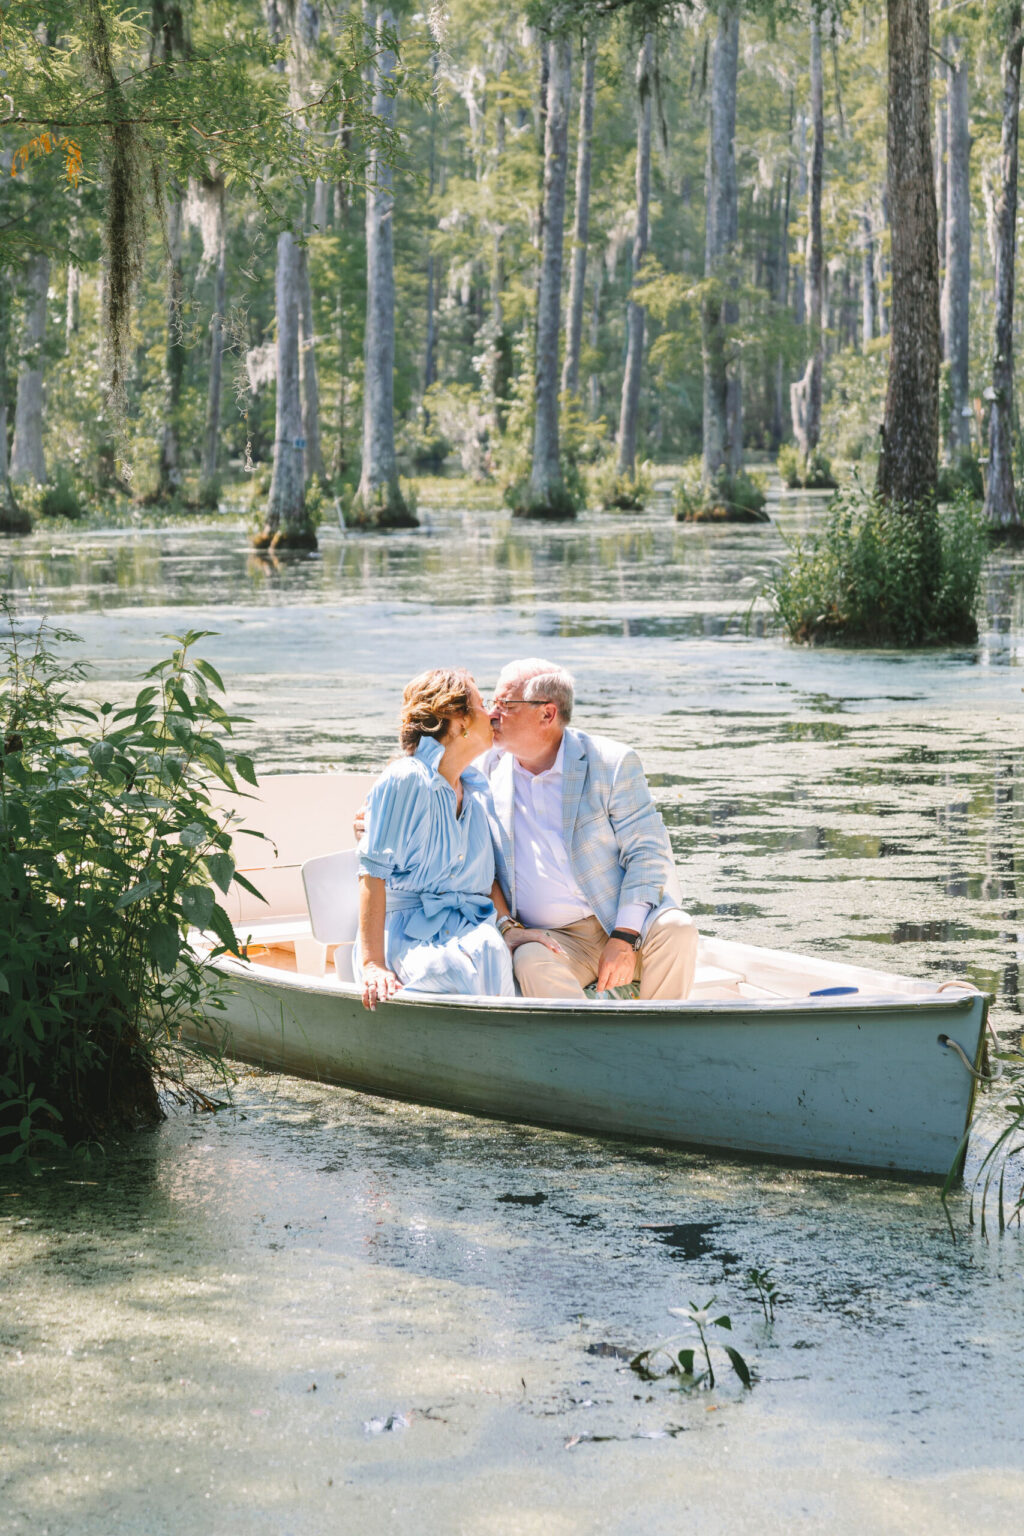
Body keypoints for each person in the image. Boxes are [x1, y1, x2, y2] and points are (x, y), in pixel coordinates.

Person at [482, 658, 697, 1001]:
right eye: (490, 703)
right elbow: (427, 783)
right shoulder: (482, 772)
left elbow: (647, 852)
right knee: (529, 959)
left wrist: (624, 937)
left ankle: (661, 1045)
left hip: (623, 921)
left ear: (547, 714)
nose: (491, 714)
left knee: (679, 929)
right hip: (555, 939)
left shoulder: (611, 763)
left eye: (505, 705)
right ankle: (583, 1050)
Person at [354, 668, 530, 1011]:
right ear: (456, 718)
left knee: (494, 955)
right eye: (482, 705)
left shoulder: (477, 790)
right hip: (406, 934)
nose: (493, 714)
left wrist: (509, 927)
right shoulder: (407, 779)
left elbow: (487, 879)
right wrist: (372, 964)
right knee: (449, 972)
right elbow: (371, 875)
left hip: (470, 927)